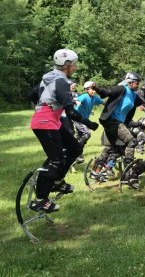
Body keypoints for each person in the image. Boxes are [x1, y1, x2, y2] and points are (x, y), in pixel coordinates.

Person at [29, 48, 99, 212]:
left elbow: (32, 95)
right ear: (67, 65)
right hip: (46, 123)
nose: (75, 68)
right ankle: (40, 199)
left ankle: (57, 182)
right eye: (74, 65)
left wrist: (45, 106)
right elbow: (71, 112)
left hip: (50, 121)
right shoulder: (60, 81)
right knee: (56, 160)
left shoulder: (47, 78)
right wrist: (89, 123)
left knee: (75, 148)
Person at [90, 72, 145, 183]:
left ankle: (96, 172)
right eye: (136, 83)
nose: (138, 85)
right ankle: (129, 172)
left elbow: (144, 103)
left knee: (111, 148)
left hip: (118, 122)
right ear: (129, 81)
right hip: (112, 121)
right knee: (131, 141)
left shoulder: (133, 95)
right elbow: (107, 92)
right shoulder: (122, 89)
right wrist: (97, 88)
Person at [73, 81, 105, 162]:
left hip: (85, 120)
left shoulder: (95, 98)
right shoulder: (84, 96)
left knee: (80, 137)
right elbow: (75, 100)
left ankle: (75, 153)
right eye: (92, 89)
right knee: (87, 133)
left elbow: (104, 102)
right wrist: (77, 102)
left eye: (94, 89)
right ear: (86, 89)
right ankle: (77, 152)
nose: (94, 91)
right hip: (78, 119)